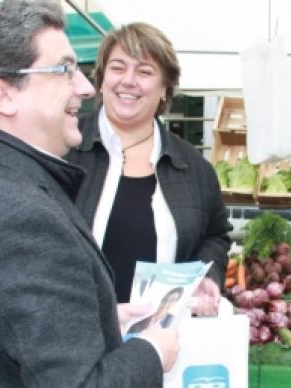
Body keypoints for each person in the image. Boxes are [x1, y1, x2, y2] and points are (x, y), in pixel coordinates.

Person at [0, 2, 179, 388]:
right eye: (64, 70)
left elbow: (7, 325)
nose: (86, 87)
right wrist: (151, 352)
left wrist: (98, 318)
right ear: (1, 93)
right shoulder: (20, 217)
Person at [65, 23, 232, 315]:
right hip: (75, 330)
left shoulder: (193, 167)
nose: (128, 81)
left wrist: (208, 275)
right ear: (101, 79)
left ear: (164, 88)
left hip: (159, 340)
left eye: (144, 72)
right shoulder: (63, 148)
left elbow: (215, 236)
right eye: (118, 68)